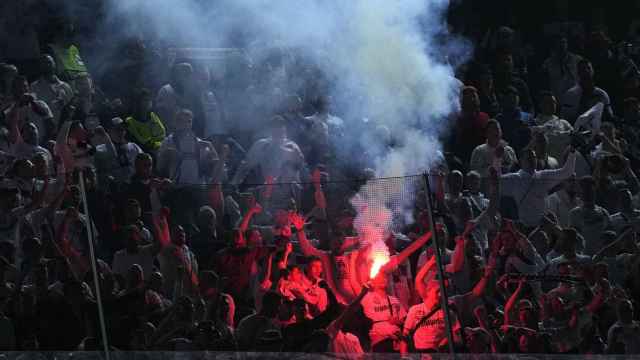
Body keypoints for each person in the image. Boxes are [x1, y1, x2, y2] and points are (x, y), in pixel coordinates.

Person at [500, 146, 577, 228]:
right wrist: (497, 159)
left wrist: (572, 152)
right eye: (529, 158)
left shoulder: (543, 176)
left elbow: (566, 172)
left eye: (534, 157)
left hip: (543, 226)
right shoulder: (514, 179)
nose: (532, 160)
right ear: (521, 161)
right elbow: (495, 182)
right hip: (524, 227)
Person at [157, 108, 219, 185]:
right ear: (175, 123)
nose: (186, 124)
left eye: (189, 121)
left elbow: (213, 168)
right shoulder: (168, 142)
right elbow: (159, 167)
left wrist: (211, 147)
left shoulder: (200, 143)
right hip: (176, 187)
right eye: (181, 121)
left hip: (197, 187)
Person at [360, 271, 407, 353]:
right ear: (372, 282)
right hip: (380, 342)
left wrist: (398, 321)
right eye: (378, 277)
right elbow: (355, 284)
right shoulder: (367, 298)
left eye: (384, 277)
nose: (383, 279)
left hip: (396, 342)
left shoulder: (394, 300)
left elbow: (406, 322)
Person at [2, 76, 54, 143]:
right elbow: (6, 126)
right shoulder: (10, 108)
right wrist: (18, 103)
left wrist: (32, 102)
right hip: (18, 148)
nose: (22, 89)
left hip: (39, 146)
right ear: (13, 90)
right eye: (18, 87)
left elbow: (50, 124)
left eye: (24, 86)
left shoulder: (41, 104)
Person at [569, 176, 611, 256]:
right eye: (584, 189)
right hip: (584, 259)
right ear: (580, 192)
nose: (587, 193)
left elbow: (610, 237)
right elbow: (573, 239)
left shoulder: (604, 212)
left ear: (595, 190)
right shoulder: (574, 214)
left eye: (589, 189)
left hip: (601, 259)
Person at [94, 118, 143, 185]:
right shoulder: (101, 149)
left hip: (134, 185)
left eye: (123, 129)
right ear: (109, 131)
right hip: (114, 188)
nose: (121, 132)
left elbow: (144, 164)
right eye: (117, 129)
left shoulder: (134, 147)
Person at [469, 119, 517, 186]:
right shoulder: (479, 151)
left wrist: (507, 168)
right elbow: (474, 171)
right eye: (492, 130)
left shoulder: (509, 150)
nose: (495, 132)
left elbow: (515, 167)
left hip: (507, 185)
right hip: (486, 185)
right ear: (486, 133)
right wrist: (490, 170)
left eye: (497, 129)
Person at [30, 54, 74, 123]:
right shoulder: (34, 87)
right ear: (40, 66)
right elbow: (34, 109)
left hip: (63, 130)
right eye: (43, 63)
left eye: (49, 62)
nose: (47, 65)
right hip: (43, 129)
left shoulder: (65, 86)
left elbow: (72, 107)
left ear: (54, 64)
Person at [532, 91, 574, 160]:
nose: (552, 105)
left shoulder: (564, 122)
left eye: (554, 102)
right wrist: (566, 136)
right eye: (548, 102)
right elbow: (548, 139)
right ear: (540, 105)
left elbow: (574, 136)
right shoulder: (535, 123)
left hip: (566, 158)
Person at [124, 88, 166, 154]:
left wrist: (157, 144)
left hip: (159, 150)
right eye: (145, 100)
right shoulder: (130, 121)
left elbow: (162, 134)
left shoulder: (153, 116)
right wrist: (154, 144)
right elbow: (142, 141)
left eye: (149, 100)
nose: (148, 102)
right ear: (138, 102)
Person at [155, 63, 194, 134]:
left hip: (186, 134)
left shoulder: (189, 93)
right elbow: (160, 116)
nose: (188, 78)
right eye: (185, 74)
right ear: (177, 75)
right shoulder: (166, 90)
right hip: (170, 134)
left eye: (189, 75)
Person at [496, 85, 534, 153]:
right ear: (504, 99)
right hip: (507, 154)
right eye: (509, 98)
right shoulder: (499, 119)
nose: (512, 100)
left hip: (526, 154)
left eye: (514, 97)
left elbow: (534, 137)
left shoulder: (527, 117)